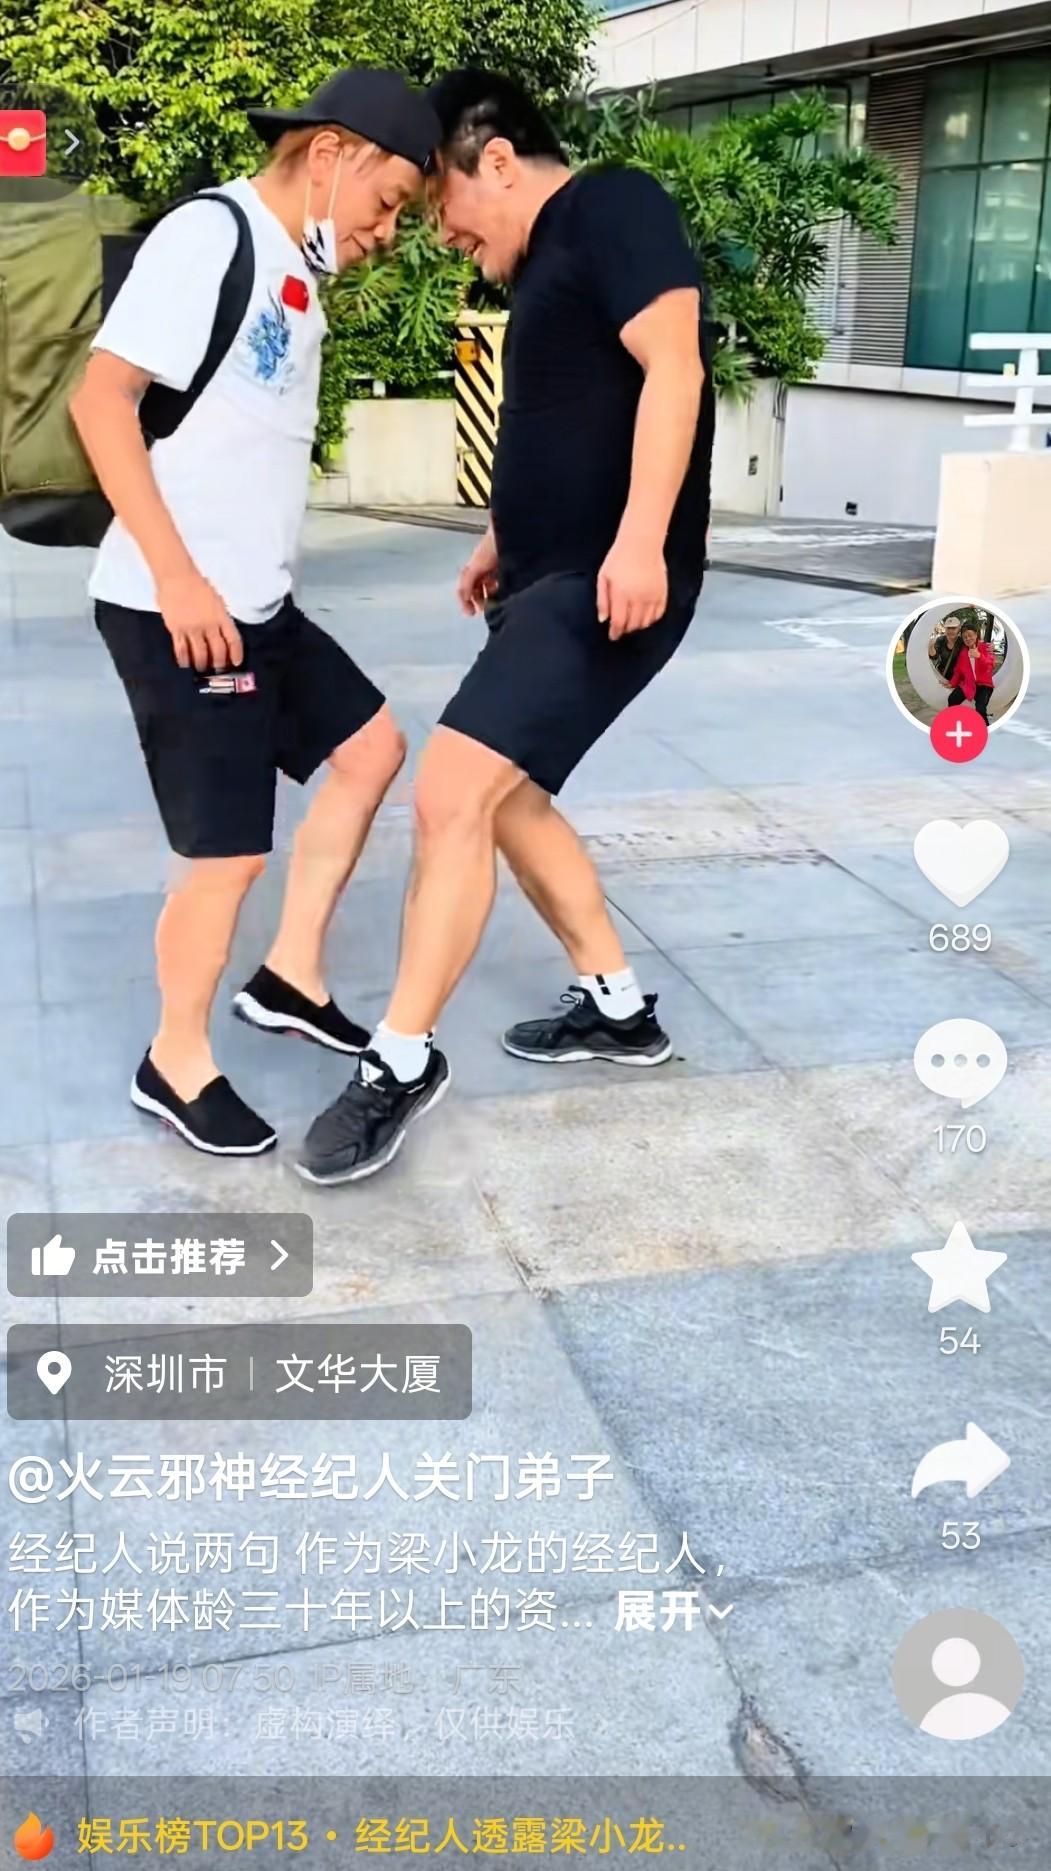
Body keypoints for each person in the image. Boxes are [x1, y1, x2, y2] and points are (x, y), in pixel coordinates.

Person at [297, 68, 714, 1185]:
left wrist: (639, 542)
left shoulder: (611, 202)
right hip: (544, 576)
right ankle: (617, 1008)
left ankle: (399, 1058)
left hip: (603, 579)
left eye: (442, 201)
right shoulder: (545, 266)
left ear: (494, 158)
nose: (440, 231)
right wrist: (498, 539)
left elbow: (675, 368)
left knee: (451, 792)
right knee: (510, 798)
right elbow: (566, 419)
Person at [71, 69, 441, 1157]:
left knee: (370, 748)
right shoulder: (210, 236)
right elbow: (102, 401)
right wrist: (180, 576)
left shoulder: (293, 271)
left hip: (257, 606)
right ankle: (174, 1059)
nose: (387, 231)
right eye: (388, 201)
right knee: (226, 852)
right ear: (330, 155)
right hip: (179, 607)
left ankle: (290, 975)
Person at [946, 624, 996, 724]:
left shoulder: (985, 647)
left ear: (976, 635)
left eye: (970, 635)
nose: (968, 638)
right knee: (952, 699)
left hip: (984, 685)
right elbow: (958, 671)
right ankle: (958, 722)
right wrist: (952, 683)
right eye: (965, 637)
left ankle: (985, 728)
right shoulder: (963, 653)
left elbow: (991, 665)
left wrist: (979, 656)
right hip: (968, 684)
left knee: (980, 709)